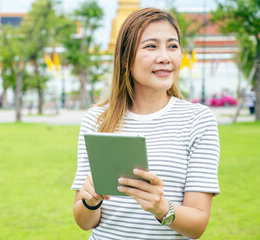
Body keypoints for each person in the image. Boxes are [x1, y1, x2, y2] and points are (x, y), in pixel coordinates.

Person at [71, 8, 220, 240]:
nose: (165, 57)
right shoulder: (97, 120)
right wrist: (89, 202)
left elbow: (198, 225)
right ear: (125, 58)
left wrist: (161, 207)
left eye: (172, 46)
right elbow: (84, 221)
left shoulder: (198, 120)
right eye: (151, 46)